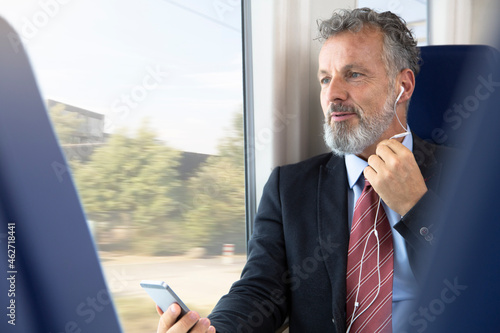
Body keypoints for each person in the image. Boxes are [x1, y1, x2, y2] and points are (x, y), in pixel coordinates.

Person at [156, 7, 451, 333]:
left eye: (353, 75)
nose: (332, 94)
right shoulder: (290, 188)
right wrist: (216, 329)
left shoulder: (472, 171)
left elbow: (480, 281)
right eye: (325, 78)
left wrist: (418, 209)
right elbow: (258, 290)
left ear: (403, 86)